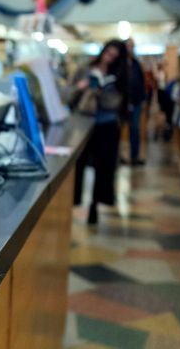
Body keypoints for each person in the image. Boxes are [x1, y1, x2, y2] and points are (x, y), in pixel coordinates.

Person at [73, 40, 124, 225]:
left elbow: (117, 102)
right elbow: (71, 93)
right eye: (107, 53)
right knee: (79, 164)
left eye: (114, 56)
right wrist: (82, 87)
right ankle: (75, 201)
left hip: (107, 125)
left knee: (102, 167)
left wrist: (101, 92)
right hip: (84, 122)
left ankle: (94, 205)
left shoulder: (118, 75)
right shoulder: (85, 69)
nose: (108, 58)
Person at [122, 38, 146, 166]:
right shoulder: (120, 63)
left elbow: (142, 83)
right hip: (122, 103)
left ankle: (134, 157)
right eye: (127, 46)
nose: (129, 48)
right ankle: (120, 157)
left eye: (131, 46)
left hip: (136, 102)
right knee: (119, 129)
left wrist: (143, 99)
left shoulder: (136, 64)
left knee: (135, 129)